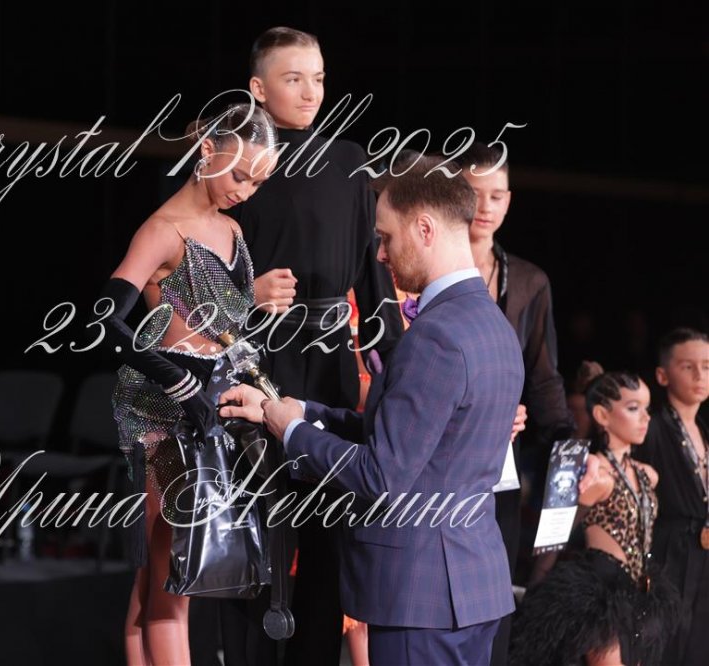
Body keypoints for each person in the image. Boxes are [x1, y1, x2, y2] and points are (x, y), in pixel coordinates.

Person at [221, 158, 524, 664]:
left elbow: (382, 473)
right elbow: (415, 440)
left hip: (421, 596)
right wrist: (301, 411)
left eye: (386, 237)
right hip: (472, 586)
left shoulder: (437, 336)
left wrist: (289, 429)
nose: (379, 253)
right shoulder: (494, 326)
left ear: (424, 229)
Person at [223, 27, 403, 666]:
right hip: (258, 361)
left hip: (329, 368)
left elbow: (373, 276)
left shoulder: (348, 159)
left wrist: (396, 364)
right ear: (258, 87)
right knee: (255, 530)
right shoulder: (236, 163)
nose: (310, 91)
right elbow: (191, 275)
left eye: (319, 78)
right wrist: (246, 292)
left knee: (329, 532)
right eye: (293, 78)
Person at [98, 103, 278, 665]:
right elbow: (106, 319)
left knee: (164, 575)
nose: (246, 190)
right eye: (240, 174)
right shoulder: (162, 231)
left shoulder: (232, 229)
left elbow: (221, 327)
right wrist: (177, 381)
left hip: (214, 408)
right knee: (173, 581)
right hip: (163, 414)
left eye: (259, 182)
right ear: (207, 151)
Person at [460, 142, 577, 664]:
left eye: (498, 195)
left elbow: (544, 379)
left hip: (500, 465)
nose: (486, 206)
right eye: (474, 192)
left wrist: (568, 448)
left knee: (493, 596)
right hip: (432, 457)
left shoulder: (529, 281)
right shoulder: (415, 270)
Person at [510, 366, 680, 666]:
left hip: (641, 591)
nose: (645, 418)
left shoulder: (647, 475)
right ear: (602, 415)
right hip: (601, 594)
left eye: (647, 408)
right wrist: (535, 595)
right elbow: (555, 537)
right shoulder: (594, 475)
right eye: (633, 408)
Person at [633, 327, 709, 664]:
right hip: (666, 556)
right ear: (663, 375)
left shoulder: (703, 430)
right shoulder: (650, 428)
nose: (699, 375)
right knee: (662, 649)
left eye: (707, 366)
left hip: (702, 559)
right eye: (687, 366)